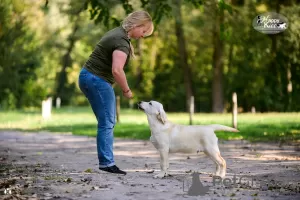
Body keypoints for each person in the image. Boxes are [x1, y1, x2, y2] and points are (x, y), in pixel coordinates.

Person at [78, 11, 154, 175]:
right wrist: (126, 90)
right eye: (144, 32)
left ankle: (106, 161)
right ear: (137, 25)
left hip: (88, 77)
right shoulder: (121, 41)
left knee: (106, 121)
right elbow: (117, 70)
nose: (143, 36)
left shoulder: (118, 33)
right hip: (96, 80)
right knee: (107, 122)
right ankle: (106, 163)